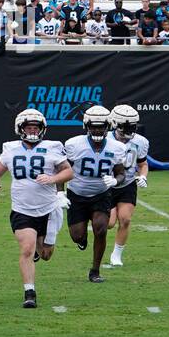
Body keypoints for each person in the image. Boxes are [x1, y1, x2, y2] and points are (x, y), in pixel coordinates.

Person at [0, 109, 72, 309]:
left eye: (36, 127)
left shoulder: (53, 147)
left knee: (45, 254)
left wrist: (52, 179)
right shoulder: (10, 149)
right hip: (22, 208)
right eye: (29, 127)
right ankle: (29, 292)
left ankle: (40, 244)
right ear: (21, 128)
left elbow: (69, 171)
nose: (33, 131)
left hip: (49, 209)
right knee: (26, 249)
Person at [62, 105, 128, 283]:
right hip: (76, 194)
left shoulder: (116, 147)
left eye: (101, 126)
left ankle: (95, 270)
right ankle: (82, 240)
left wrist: (116, 180)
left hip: (101, 194)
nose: (97, 129)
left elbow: (121, 172)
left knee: (100, 229)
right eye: (94, 125)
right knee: (77, 235)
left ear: (108, 125)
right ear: (87, 126)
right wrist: (59, 193)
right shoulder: (74, 144)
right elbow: (61, 170)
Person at [106, 105, 149, 268]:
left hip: (128, 184)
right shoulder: (106, 139)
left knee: (125, 219)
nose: (130, 129)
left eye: (132, 126)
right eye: (126, 126)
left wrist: (143, 176)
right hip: (107, 184)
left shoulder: (140, 141)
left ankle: (116, 254)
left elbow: (143, 164)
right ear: (115, 124)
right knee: (109, 224)